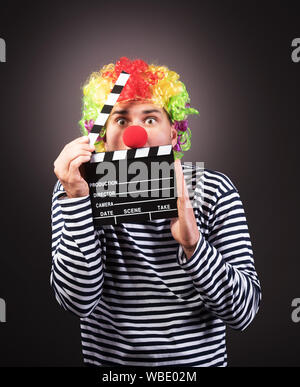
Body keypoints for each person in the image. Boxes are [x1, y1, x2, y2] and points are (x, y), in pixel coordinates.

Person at [51, 57, 261, 367]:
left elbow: (243, 313)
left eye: (150, 119)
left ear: (174, 133)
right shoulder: (76, 187)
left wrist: (194, 246)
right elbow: (77, 301)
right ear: (103, 138)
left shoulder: (212, 188)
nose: (136, 135)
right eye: (121, 120)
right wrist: (78, 199)